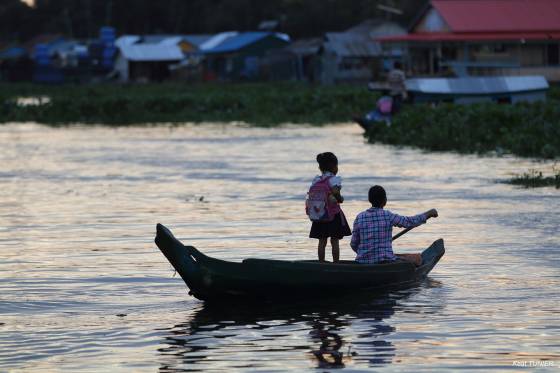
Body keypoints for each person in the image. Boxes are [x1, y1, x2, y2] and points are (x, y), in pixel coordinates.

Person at [350, 185, 438, 266]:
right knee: (417, 258)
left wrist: (366, 253)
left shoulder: (360, 217)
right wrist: (428, 214)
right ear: (384, 201)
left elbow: (353, 244)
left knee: (396, 256)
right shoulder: (387, 216)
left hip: (362, 262)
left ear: (370, 200)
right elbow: (408, 222)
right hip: (385, 262)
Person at [307, 152, 351, 262]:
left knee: (322, 241)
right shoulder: (334, 179)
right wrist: (340, 199)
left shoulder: (316, 180)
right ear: (334, 167)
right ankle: (336, 263)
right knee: (334, 241)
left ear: (320, 167)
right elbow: (336, 192)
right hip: (333, 215)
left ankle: (321, 263)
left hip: (319, 214)